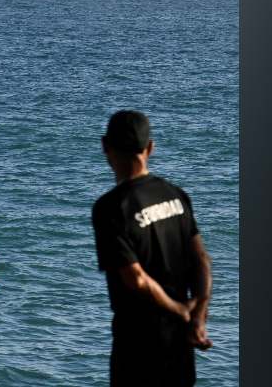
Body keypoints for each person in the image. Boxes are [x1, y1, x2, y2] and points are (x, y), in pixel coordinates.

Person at [91, 110, 213, 386]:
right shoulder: (176, 195)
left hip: (137, 345)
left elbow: (135, 278)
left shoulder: (110, 208)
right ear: (150, 148)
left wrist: (177, 310)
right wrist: (197, 315)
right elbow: (202, 260)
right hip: (179, 343)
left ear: (104, 147)